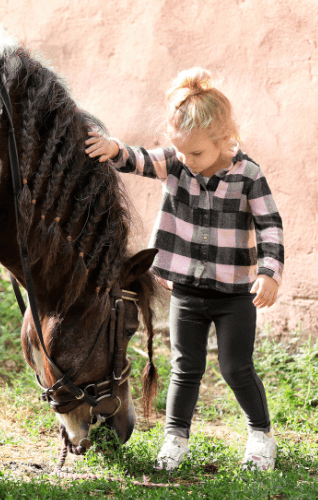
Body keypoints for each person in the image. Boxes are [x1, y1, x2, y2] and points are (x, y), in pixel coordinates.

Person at [85, 67, 284, 471]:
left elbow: (269, 225)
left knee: (235, 367)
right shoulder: (176, 163)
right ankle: (174, 439)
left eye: (197, 154)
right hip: (187, 292)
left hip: (234, 295)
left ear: (224, 140)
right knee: (185, 368)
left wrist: (269, 271)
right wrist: (111, 148)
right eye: (181, 153)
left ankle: (261, 436)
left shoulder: (248, 175)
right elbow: (139, 159)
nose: (188, 162)